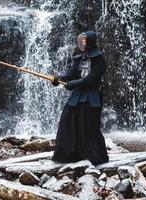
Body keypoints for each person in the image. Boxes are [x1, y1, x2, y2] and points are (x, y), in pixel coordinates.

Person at [51, 31, 109, 165]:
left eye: (84, 41)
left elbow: (90, 79)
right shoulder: (79, 58)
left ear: (90, 42)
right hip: (77, 95)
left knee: (89, 125)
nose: (81, 43)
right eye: (80, 41)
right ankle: (68, 155)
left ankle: (94, 156)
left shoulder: (99, 59)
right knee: (67, 120)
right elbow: (71, 73)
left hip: (91, 95)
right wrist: (58, 79)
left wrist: (73, 84)